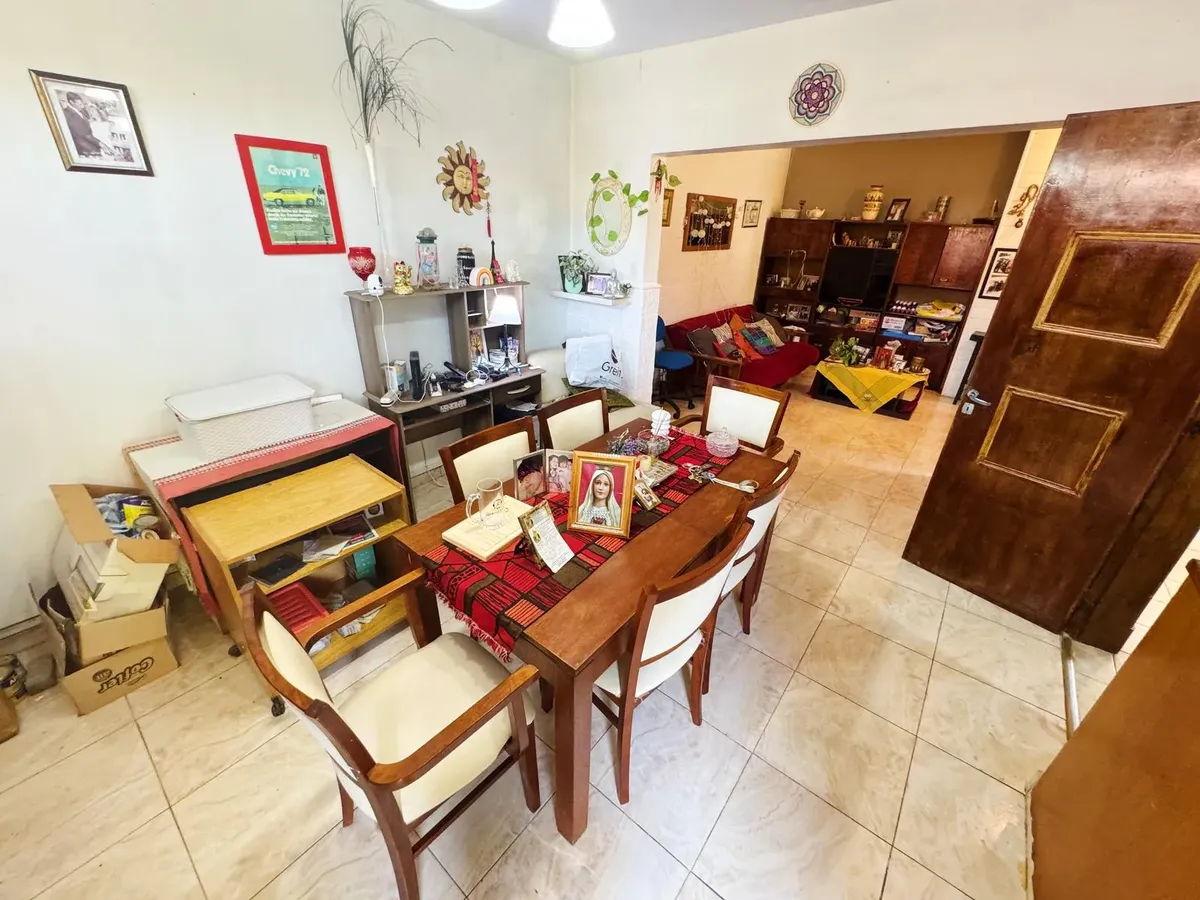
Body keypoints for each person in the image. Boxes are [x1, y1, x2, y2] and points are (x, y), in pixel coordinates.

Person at [62, 91, 103, 157]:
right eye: (80, 104)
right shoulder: (67, 113)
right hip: (84, 148)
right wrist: (100, 144)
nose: (83, 106)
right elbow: (83, 134)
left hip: (91, 144)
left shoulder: (81, 111)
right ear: (71, 102)